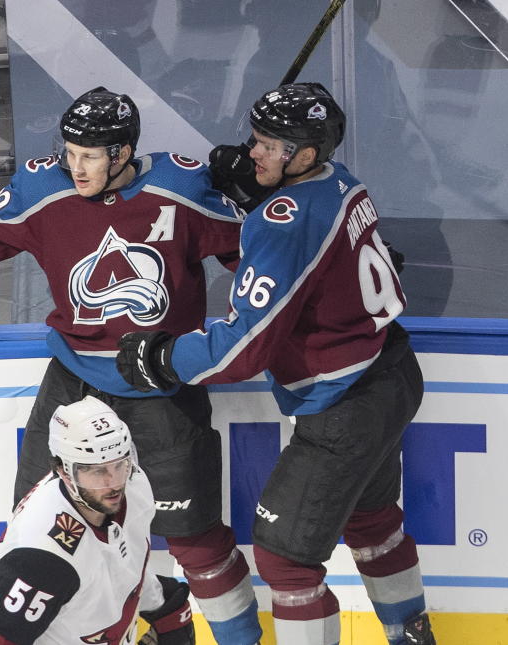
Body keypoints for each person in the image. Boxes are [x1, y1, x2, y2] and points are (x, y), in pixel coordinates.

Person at [0, 87, 263, 644]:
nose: (74, 166)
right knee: (38, 529)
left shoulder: (180, 188)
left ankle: (240, 639)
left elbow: (258, 252)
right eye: (69, 151)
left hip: (162, 384)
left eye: (89, 155)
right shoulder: (44, 187)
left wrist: (262, 200)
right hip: (75, 382)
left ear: (124, 152)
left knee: (193, 535)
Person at [117, 82, 436, 645]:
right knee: (372, 521)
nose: (252, 151)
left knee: (285, 559)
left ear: (305, 156)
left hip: (343, 405)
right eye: (256, 138)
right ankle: (413, 636)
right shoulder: (345, 184)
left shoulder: (283, 220)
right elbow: (333, 260)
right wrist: (256, 194)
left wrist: (166, 355)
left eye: (268, 144)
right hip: (392, 372)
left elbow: (247, 345)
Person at [0, 395, 194, 644]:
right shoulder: (44, 556)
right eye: (96, 471)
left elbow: (118, 565)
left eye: (120, 464)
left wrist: (163, 607)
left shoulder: (134, 485)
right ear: (63, 471)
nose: (113, 483)